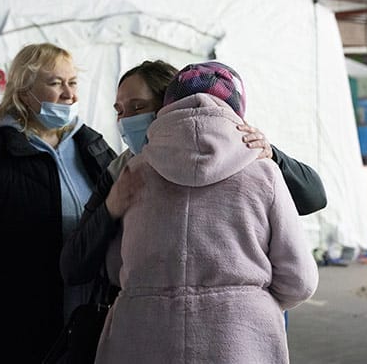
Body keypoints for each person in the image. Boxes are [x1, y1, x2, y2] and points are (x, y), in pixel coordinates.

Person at [92, 61, 319, 363]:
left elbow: (114, 263)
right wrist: (253, 300)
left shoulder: (133, 172)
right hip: (239, 338)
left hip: (143, 333)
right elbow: (299, 279)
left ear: (167, 105)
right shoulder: (263, 170)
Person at [61, 60, 326, 286]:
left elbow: (313, 197)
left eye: (138, 107)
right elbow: (73, 264)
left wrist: (273, 155)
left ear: (171, 105)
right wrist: (109, 209)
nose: (126, 120)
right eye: (120, 111)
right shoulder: (121, 171)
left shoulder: (243, 154)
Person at [0, 43, 117, 363]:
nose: (69, 95)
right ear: (23, 90)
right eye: (55, 83)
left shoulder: (95, 148)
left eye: (72, 83)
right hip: (17, 335)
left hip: (89, 326)